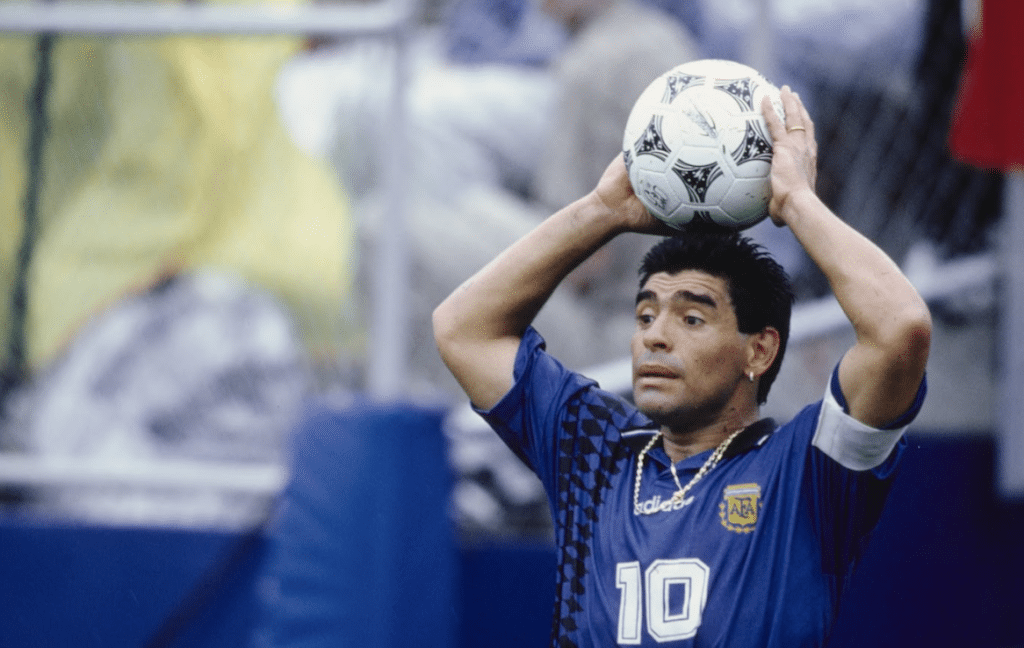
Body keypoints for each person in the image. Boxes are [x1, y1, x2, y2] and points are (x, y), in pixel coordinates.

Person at [432, 86, 931, 645]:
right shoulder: (594, 453)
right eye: (645, 316)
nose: (656, 337)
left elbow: (900, 329)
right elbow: (463, 329)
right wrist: (602, 212)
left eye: (691, 319)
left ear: (759, 351)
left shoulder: (809, 473)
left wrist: (796, 203)